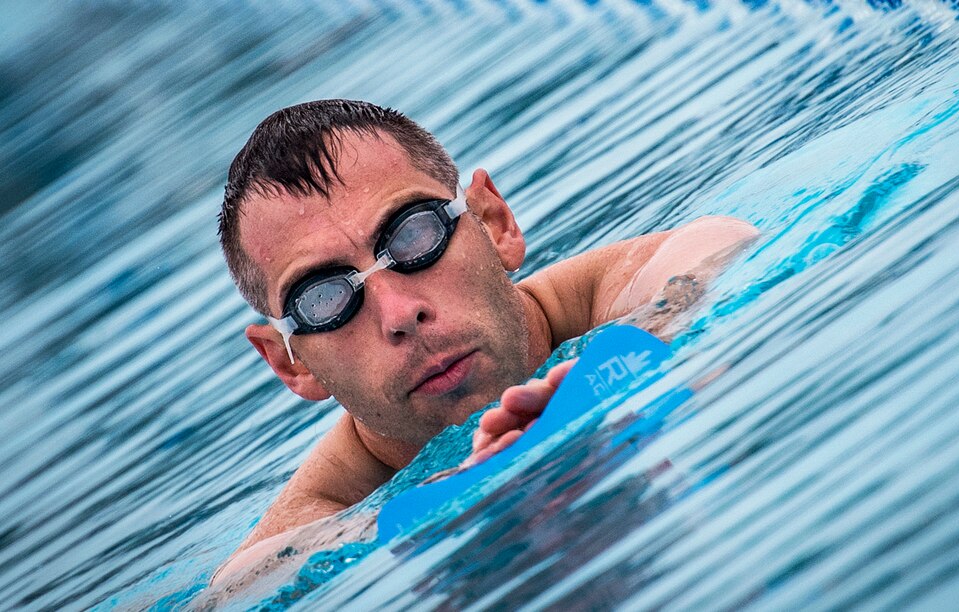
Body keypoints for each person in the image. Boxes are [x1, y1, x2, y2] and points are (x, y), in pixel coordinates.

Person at [213, 99, 758, 583]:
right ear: (291, 364)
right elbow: (244, 582)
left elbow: (717, 251)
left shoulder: (645, 282)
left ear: (495, 223)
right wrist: (441, 501)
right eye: (324, 298)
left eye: (412, 235)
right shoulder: (303, 533)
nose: (400, 314)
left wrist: (601, 386)